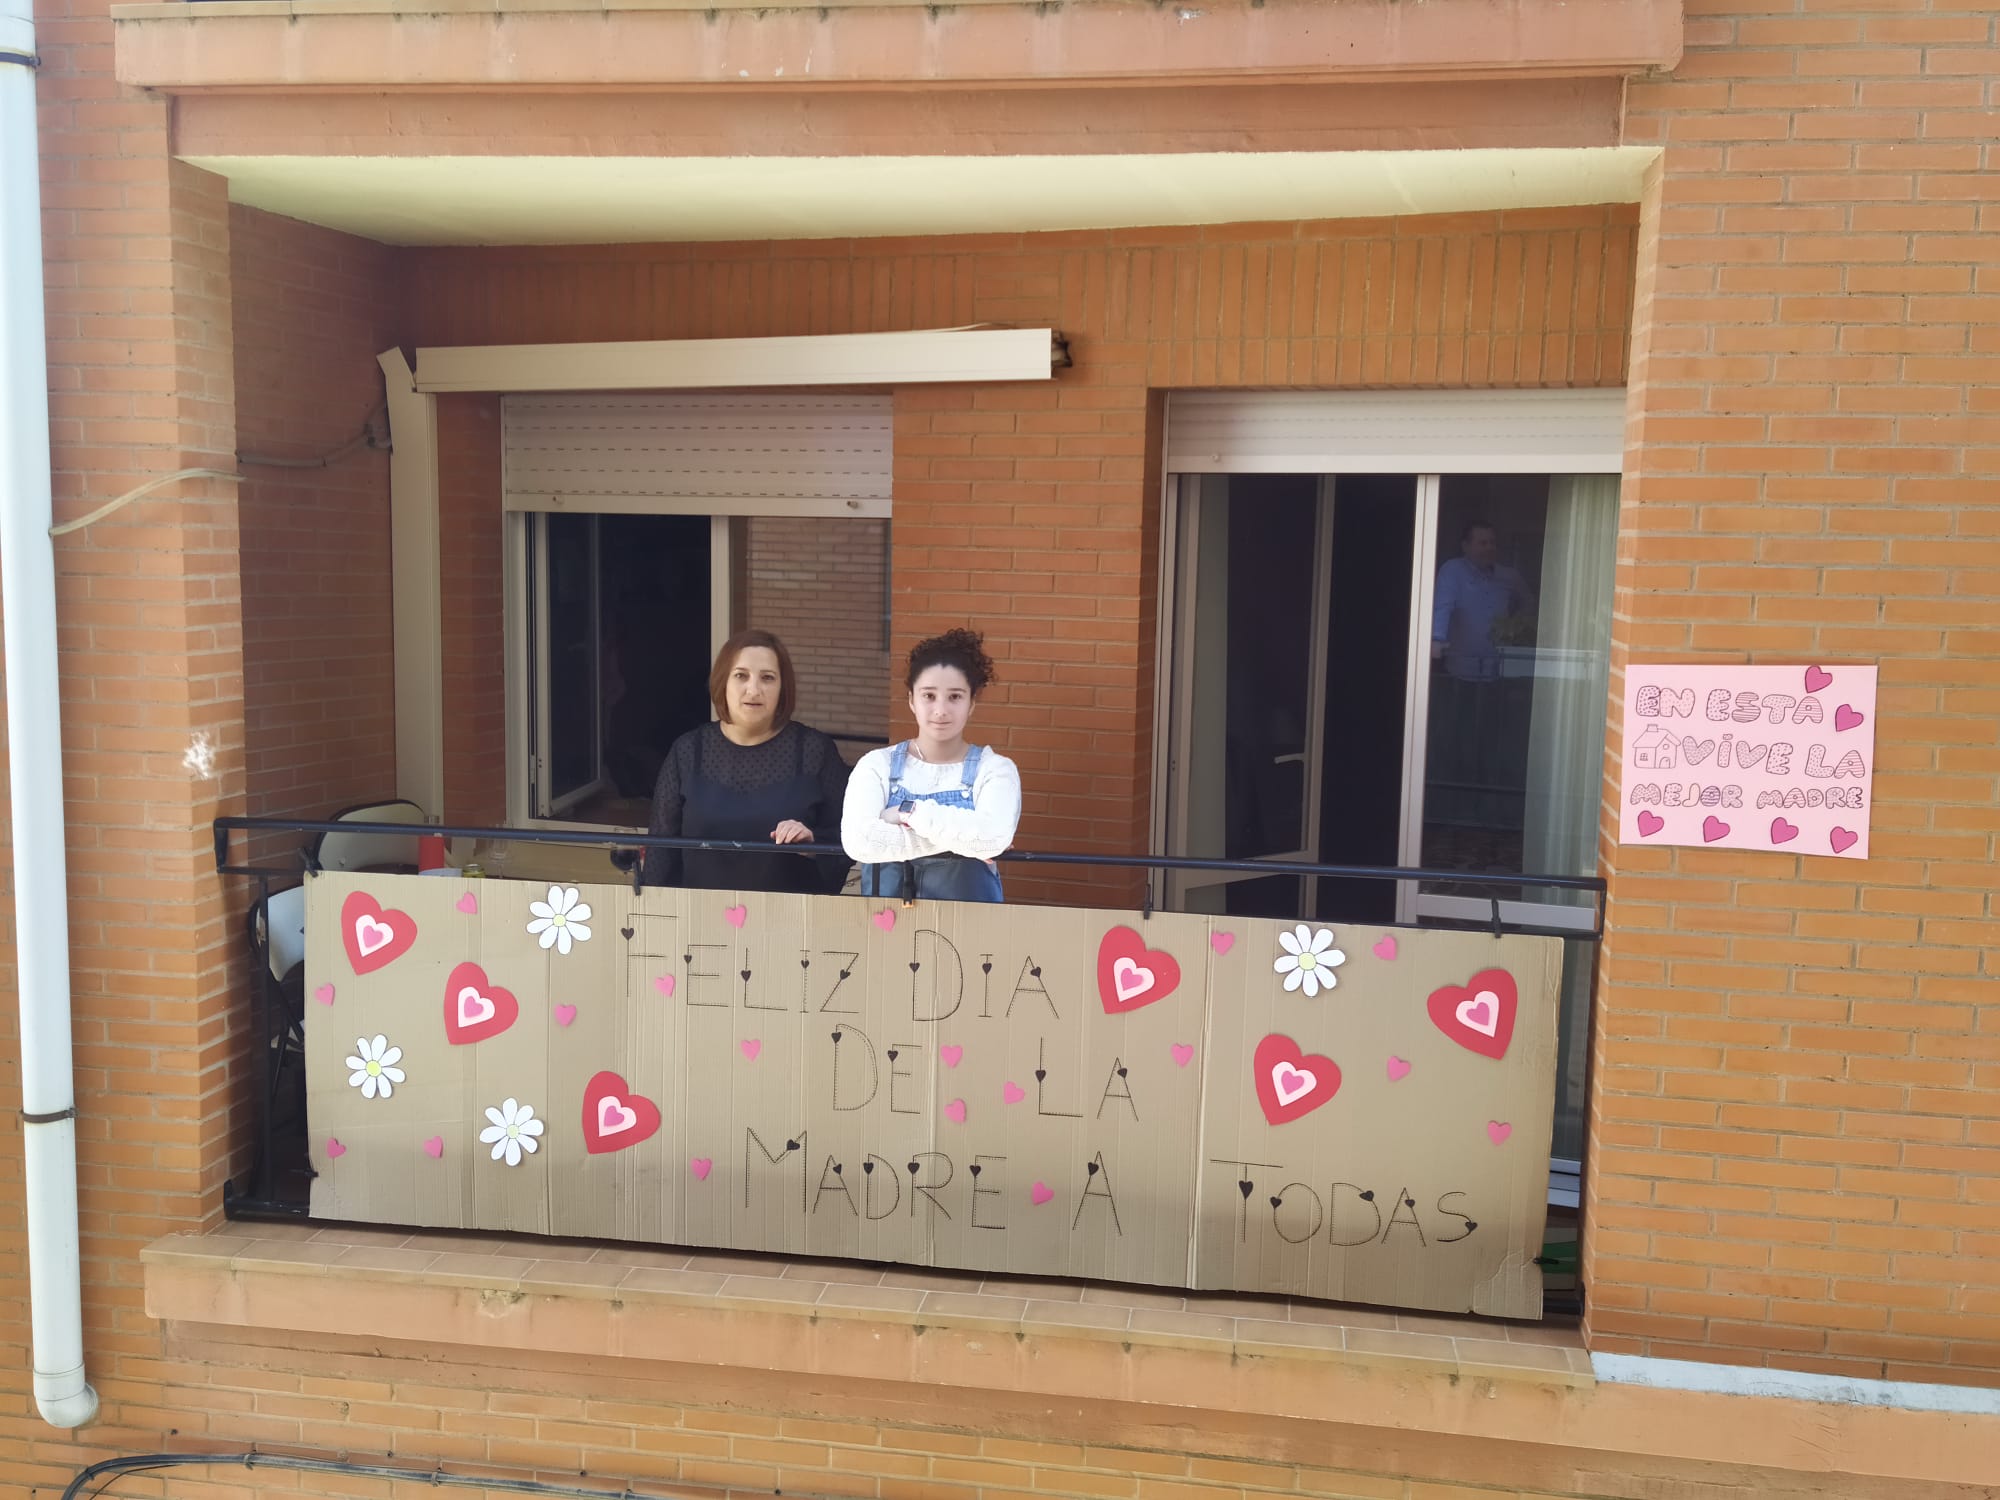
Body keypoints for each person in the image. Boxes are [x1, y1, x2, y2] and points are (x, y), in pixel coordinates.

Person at [640, 630, 851, 894]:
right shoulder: (688, 751)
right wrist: (651, 912)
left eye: (767, 678)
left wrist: (813, 844)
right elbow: (661, 848)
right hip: (698, 919)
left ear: (783, 688)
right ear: (722, 683)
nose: (754, 689)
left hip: (791, 921)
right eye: (741, 676)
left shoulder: (814, 751)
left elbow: (849, 838)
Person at [842, 628, 1021, 903]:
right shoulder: (876, 765)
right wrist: (967, 842)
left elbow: (992, 837)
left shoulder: (996, 769)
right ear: (911, 700)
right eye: (929, 696)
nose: (940, 710)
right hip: (885, 932)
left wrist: (904, 812)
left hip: (969, 933)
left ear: (971, 703)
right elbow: (860, 842)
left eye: (955, 697)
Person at [1430, 519, 1534, 682]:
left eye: (1492, 543)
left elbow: (1529, 605)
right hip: (1460, 671)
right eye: (1483, 543)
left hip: (1499, 671)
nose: (1489, 548)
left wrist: (1516, 629)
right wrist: (1436, 639)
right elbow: (1443, 607)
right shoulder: (1453, 571)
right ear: (1465, 546)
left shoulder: (1509, 576)